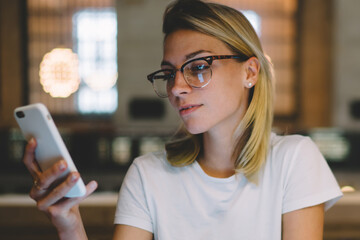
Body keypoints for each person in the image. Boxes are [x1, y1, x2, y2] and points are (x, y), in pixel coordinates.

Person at [23, 0, 343, 239]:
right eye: (169, 72)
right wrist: (70, 223)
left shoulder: (294, 160)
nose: (177, 87)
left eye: (198, 67)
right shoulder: (148, 176)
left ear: (250, 72)